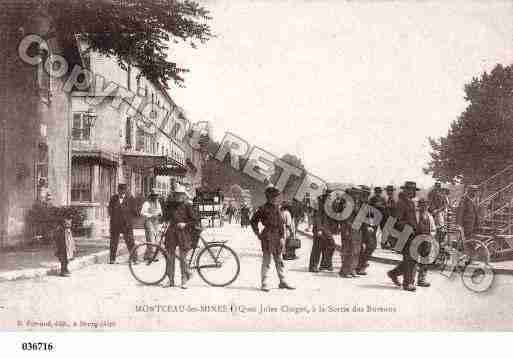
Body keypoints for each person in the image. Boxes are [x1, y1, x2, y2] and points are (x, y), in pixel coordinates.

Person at [250, 186, 295, 292]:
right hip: (267, 236)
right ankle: (264, 283)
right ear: (268, 197)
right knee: (267, 261)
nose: (276, 198)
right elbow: (253, 221)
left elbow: (280, 224)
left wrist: (282, 237)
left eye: (276, 196)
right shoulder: (262, 209)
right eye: (274, 196)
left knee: (279, 260)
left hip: (277, 237)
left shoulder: (277, 208)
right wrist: (258, 233)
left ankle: (282, 281)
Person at [387, 181, 421, 292]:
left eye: (413, 190)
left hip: (412, 234)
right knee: (410, 258)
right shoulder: (401, 203)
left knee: (412, 259)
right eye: (410, 190)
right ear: (405, 191)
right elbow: (396, 221)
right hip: (404, 234)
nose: (412, 192)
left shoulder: (411, 202)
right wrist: (409, 228)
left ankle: (393, 273)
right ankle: (408, 284)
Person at [163, 184, 198, 289]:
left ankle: (184, 280)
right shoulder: (170, 205)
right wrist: (164, 221)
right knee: (170, 257)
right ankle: (170, 280)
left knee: (183, 258)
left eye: (180, 195)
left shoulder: (187, 205)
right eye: (176, 194)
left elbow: (195, 220)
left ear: (184, 195)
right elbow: (166, 217)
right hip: (171, 233)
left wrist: (185, 224)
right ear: (174, 195)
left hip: (183, 233)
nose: (178, 196)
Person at [108, 183, 137, 264]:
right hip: (115, 224)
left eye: (123, 190)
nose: (121, 192)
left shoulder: (131, 199)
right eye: (120, 190)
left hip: (126, 224)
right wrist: (113, 218)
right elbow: (110, 209)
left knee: (130, 241)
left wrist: (129, 219)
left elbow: (134, 212)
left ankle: (134, 259)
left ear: (126, 190)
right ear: (118, 190)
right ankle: (112, 259)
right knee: (113, 242)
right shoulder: (113, 198)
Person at [339, 187, 364, 278]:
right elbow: (344, 218)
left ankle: (352, 269)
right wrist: (346, 229)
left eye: (358, 193)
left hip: (357, 228)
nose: (357, 195)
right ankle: (345, 271)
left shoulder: (358, 203)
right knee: (349, 250)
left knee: (356, 250)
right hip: (349, 228)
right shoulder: (348, 203)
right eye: (356, 193)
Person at [356, 185, 378, 275]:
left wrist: (371, 224)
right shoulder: (359, 202)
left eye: (368, 193)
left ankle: (361, 264)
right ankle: (360, 266)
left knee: (371, 245)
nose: (366, 194)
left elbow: (371, 215)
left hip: (367, 227)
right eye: (364, 192)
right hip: (360, 227)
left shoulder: (367, 202)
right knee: (364, 246)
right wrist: (368, 226)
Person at [415, 198, 436, 287]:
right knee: (413, 260)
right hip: (416, 239)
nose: (424, 207)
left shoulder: (430, 216)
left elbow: (433, 229)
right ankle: (409, 279)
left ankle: (421, 279)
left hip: (426, 240)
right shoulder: (415, 215)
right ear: (419, 206)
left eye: (425, 205)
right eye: (422, 205)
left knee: (425, 261)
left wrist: (430, 235)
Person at [317, 188, 338, 271]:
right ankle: (326, 263)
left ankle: (325, 265)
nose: (330, 197)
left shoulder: (332, 204)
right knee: (332, 245)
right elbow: (318, 216)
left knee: (326, 246)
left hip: (329, 227)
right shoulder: (322, 204)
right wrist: (319, 228)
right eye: (329, 195)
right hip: (323, 227)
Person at [140, 189, 162, 260]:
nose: (155, 197)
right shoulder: (147, 203)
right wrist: (151, 215)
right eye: (154, 196)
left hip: (156, 222)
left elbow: (160, 211)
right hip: (149, 222)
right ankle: (152, 256)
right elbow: (142, 213)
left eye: (156, 196)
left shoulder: (158, 203)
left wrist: (160, 214)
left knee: (156, 239)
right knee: (151, 239)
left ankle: (147, 255)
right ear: (151, 196)